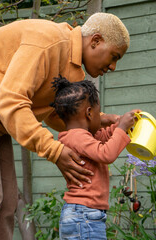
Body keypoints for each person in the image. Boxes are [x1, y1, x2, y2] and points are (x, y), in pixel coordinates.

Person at [0, 12, 129, 239]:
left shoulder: (71, 68)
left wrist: (99, 119)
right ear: (95, 41)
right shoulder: (48, 42)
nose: (113, 66)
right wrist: (54, 150)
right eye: (114, 56)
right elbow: (11, 101)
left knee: (6, 202)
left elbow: (58, 115)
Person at [49, 76, 138, 239]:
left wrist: (119, 126)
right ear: (89, 113)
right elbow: (106, 153)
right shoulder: (78, 137)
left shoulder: (80, 136)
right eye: (99, 112)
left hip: (82, 214)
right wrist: (122, 128)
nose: (101, 117)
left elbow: (102, 136)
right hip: (85, 215)